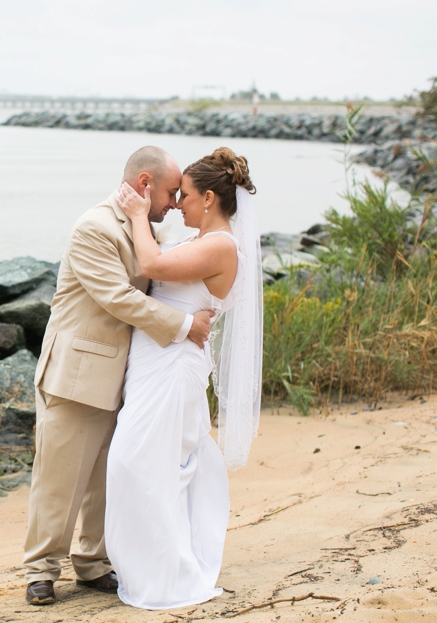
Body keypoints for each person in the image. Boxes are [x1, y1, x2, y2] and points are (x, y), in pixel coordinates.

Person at [23, 146, 214, 606]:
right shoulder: (94, 226)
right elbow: (116, 297)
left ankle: (91, 563)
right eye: (170, 192)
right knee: (60, 477)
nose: (173, 202)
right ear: (145, 184)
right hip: (79, 370)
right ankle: (41, 568)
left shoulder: (142, 225)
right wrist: (186, 327)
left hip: (127, 375)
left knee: (105, 478)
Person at [105, 147, 263, 610]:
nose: (177, 204)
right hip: (157, 364)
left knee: (138, 465)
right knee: (151, 466)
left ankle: (167, 577)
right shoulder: (204, 240)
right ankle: (155, 568)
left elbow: (152, 266)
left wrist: (137, 212)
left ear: (210, 198)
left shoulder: (220, 245)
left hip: (173, 368)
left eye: (186, 196)